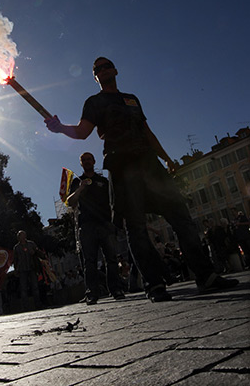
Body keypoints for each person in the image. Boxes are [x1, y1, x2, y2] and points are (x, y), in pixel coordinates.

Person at [45, 56, 239, 301]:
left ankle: (206, 276)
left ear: (115, 70)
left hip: (149, 163)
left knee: (181, 217)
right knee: (136, 228)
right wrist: (60, 127)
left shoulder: (132, 99)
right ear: (96, 77)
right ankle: (154, 284)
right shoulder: (94, 102)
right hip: (121, 164)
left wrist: (167, 159)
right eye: (98, 69)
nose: (103, 70)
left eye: (106, 66)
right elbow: (83, 132)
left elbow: (147, 132)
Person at [67, 152, 125, 305]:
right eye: (83, 160)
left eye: (89, 159)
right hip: (87, 225)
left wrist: (115, 222)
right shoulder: (77, 181)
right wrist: (79, 189)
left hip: (105, 224)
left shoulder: (103, 181)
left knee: (111, 258)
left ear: (94, 161)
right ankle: (92, 292)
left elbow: (113, 201)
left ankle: (116, 289)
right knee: (90, 261)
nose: (86, 162)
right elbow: (70, 202)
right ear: (81, 163)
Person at [13, 230, 41, 310]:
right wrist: (16, 269)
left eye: (23, 235)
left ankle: (38, 304)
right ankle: (26, 306)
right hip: (22, 269)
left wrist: (34, 252)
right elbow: (15, 259)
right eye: (20, 236)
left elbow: (38, 252)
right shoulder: (16, 247)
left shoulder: (31, 244)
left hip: (32, 267)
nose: (22, 237)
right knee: (23, 288)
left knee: (35, 286)